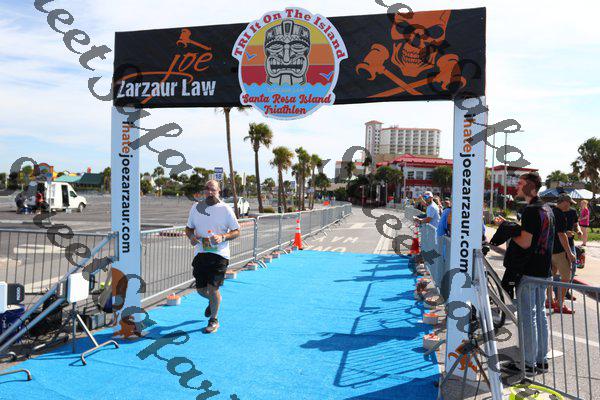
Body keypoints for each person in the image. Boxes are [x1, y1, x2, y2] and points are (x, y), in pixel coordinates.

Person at [494, 172, 554, 376]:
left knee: (528, 318)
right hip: (544, 270)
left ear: (530, 186)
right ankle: (541, 360)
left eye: (520, 183)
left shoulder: (530, 210)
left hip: (529, 271)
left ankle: (527, 364)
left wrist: (509, 232)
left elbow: (526, 242)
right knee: (540, 315)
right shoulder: (547, 209)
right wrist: (513, 228)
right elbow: (537, 237)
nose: (517, 186)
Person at [185, 180, 240, 334]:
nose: (210, 192)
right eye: (207, 189)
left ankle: (213, 319)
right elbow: (188, 229)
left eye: (213, 189)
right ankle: (213, 301)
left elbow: (236, 231)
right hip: (201, 253)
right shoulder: (196, 207)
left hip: (219, 255)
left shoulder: (225, 209)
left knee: (213, 288)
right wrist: (191, 237)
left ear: (218, 191)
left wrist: (223, 237)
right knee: (201, 290)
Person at [548, 195, 577, 314]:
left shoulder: (550, 211)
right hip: (560, 251)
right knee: (566, 277)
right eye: (570, 203)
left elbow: (555, 231)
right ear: (564, 202)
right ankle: (560, 304)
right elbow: (561, 234)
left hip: (549, 250)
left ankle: (549, 300)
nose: (570, 206)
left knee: (550, 276)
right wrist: (569, 253)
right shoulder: (560, 214)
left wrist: (565, 232)